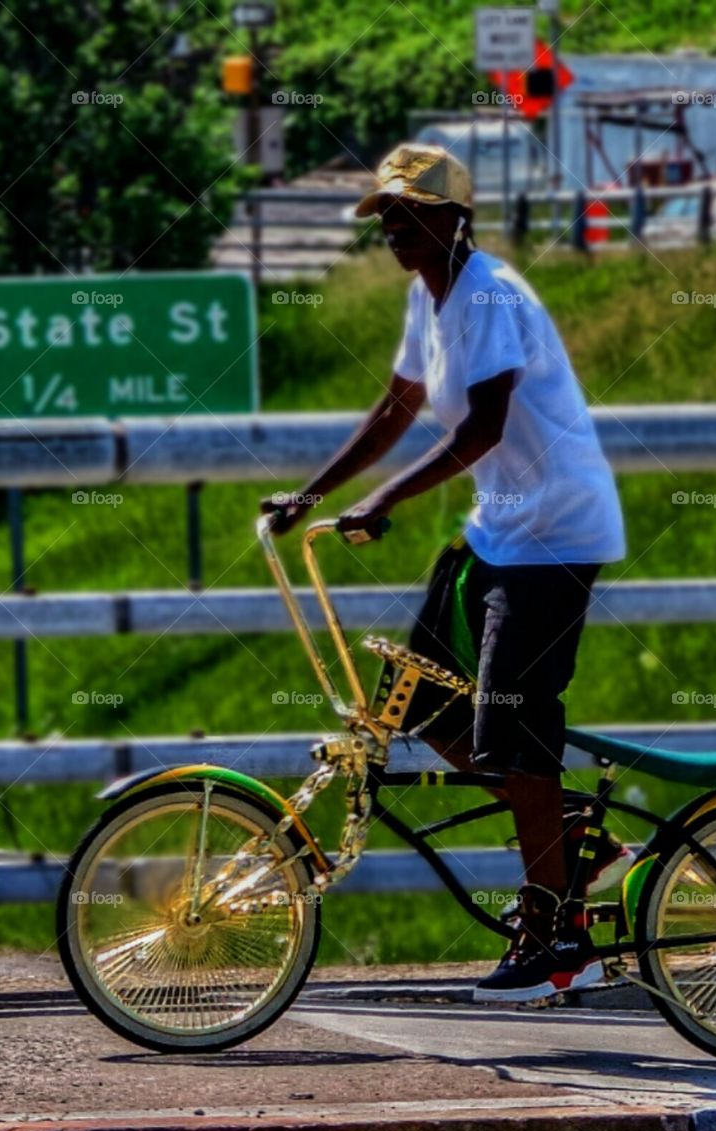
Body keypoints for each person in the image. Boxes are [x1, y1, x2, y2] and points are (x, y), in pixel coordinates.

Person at [262, 143, 626, 1001]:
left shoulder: (491, 293)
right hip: (498, 531)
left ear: (453, 217)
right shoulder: (426, 299)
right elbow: (398, 407)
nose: (390, 225)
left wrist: (382, 502)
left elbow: (484, 428)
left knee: (516, 731)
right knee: (419, 701)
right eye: (384, 213)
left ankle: (554, 940)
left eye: (408, 210)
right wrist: (313, 494)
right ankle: (569, 833)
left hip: (554, 537)